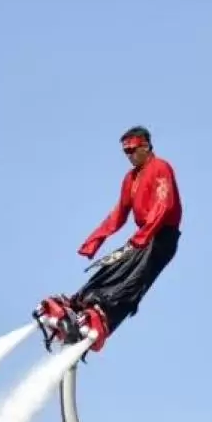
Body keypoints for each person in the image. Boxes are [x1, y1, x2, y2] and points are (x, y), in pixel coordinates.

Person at [35, 126, 182, 353]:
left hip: (161, 236)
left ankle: (103, 315)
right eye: (126, 152)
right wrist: (95, 239)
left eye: (132, 150)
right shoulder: (130, 179)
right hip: (143, 236)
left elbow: (164, 205)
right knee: (112, 268)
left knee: (132, 278)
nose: (129, 156)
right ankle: (79, 302)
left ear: (145, 146)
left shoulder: (161, 167)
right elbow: (119, 213)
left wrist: (142, 237)